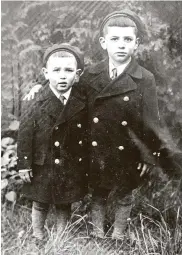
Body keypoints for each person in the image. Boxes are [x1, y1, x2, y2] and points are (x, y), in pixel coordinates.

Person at [23, 10, 182, 240]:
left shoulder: (144, 78)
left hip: (127, 148)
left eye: (127, 39)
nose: (121, 45)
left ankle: (118, 234)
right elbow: (64, 83)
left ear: (136, 44)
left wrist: (148, 155)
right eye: (114, 39)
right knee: (98, 193)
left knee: (124, 194)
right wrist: (39, 86)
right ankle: (97, 233)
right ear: (103, 42)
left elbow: (152, 119)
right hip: (96, 147)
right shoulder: (90, 74)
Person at [17, 43, 88, 243]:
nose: (62, 76)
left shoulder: (80, 102)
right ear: (46, 73)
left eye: (68, 70)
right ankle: (37, 235)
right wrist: (24, 163)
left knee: (64, 202)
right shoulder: (35, 100)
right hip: (43, 164)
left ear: (77, 74)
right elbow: (25, 135)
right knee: (40, 202)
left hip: (68, 163)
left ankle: (61, 237)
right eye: (56, 70)